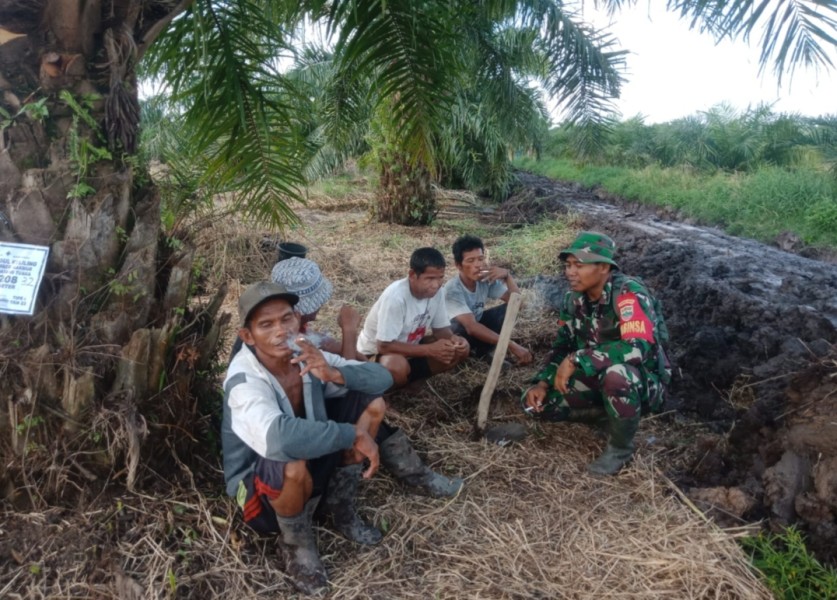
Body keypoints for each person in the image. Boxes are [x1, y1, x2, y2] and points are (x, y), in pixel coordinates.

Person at [222, 281, 392, 595]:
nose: (280, 331)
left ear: (298, 320)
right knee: (291, 459)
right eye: (266, 324)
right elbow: (281, 440)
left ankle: (339, 508)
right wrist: (351, 434)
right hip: (258, 493)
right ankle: (296, 544)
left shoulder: (304, 353)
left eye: (286, 319)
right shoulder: (244, 379)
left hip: (311, 465)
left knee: (372, 403)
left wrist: (334, 373)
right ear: (247, 336)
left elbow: (383, 378)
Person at [268, 257, 463, 498]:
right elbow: (346, 381)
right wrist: (349, 331)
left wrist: (354, 356)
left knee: (370, 395)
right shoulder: (288, 342)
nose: (322, 305)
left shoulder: (297, 330)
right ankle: (407, 475)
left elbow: (337, 352)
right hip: (306, 420)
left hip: (316, 404)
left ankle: (412, 472)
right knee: (365, 399)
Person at [522, 232, 669, 475]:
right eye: (568, 265)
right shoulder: (573, 299)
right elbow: (562, 345)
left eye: (579, 266)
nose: (570, 272)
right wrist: (542, 383)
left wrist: (577, 359)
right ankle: (607, 414)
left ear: (603, 268)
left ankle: (620, 449)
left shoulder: (628, 294)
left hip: (640, 382)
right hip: (596, 377)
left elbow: (636, 348)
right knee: (537, 404)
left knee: (617, 374)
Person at [357, 247, 470, 387]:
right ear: (412, 275)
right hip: (374, 354)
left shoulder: (438, 293)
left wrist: (455, 340)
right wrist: (429, 350)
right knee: (395, 365)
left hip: (410, 347)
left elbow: (441, 330)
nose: (436, 285)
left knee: (454, 349)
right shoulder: (396, 298)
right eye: (429, 278)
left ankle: (413, 380)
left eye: (440, 278)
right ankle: (395, 388)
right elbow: (384, 346)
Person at [444, 235, 533, 365]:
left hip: (475, 327)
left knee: (507, 310)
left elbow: (517, 304)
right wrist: (510, 345)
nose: (478, 265)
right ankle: (468, 357)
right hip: (458, 336)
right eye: (470, 261)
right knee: (462, 328)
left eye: (480, 259)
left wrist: (507, 277)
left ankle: (483, 353)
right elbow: (471, 327)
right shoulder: (452, 290)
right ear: (459, 265)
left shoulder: (485, 280)